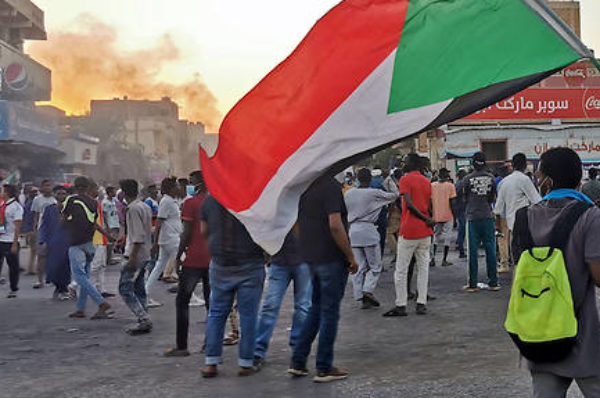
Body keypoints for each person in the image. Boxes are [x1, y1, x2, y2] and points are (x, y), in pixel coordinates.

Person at [512, 148, 600, 397]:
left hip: (540, 334)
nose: (537, 181)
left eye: (539, 176)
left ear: (548, 181)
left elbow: (522, 274)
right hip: (582, 336)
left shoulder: (524, 217)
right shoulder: (591, 216)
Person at [288, 175, 358, 383]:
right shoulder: (330, 187)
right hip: (331, 258)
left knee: (316, 308)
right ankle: (324, 367)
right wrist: (350, 256)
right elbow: (335, 225)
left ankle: (298, 362)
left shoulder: (304, 186)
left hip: (312, 258)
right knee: (329, 312)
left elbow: (294, 222)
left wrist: (308, 245)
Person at [200, 195, 266, 378]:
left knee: (216, 313)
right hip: (250, 262)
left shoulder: (210, 201)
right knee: (249, 315)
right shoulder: (252, 197)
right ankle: (245, 363)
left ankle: (211, 363)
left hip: (221, 264)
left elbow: (204, 231)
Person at [164, 171, 212, 357]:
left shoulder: (190, 204)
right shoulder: (216, 203)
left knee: (182, 301)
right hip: (213, 259)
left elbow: (187, 233)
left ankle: (182, 346)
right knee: (212, 304)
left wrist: (178, 256)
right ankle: (210, 345)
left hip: (194, 259)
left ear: (198, 184)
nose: (188, 186)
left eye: (191, 183)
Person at [383, 154, 434, 317]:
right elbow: (429, 204)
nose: (403, 164)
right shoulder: (426, 181)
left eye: (405, 161)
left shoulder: (405, 180)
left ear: (411, 164)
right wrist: (429, 219)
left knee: (401, 269)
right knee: (423, 268)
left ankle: (401, 304)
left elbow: (409, 204)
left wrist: (424, 217)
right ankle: (421, 303)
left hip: (409, 230)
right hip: (425, 231)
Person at [253, 231, 311, 368]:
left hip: (298, 261)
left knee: (301, 307)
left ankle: (297, 350)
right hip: (282, 261)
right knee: (272, 306)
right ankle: (258, 350)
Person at [345, 168, 398, 308]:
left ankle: (359, 295)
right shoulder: (374, 193)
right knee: (375, 266)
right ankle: (367, 290)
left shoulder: (349, 194)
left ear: (357, 178)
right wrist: (390, 181)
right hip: (368, 230)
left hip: (354, 231)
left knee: (359, 266)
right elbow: (395, 195)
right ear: (370, 179)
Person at [63, 176, 113, 319]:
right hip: (89, 243)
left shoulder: (71, 200)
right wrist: (107, 235)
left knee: (79, 276)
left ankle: (101, 302)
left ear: (76, 186)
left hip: (75, 243)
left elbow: (64, 217)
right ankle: (80, 309)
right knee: (85, 276)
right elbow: (94, 223)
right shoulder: (94, 203)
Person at [494, 153, 542, 273]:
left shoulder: (504, 182)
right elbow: (537, 201)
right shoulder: (524, 179)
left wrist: (498, 226)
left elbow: (498, 208)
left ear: (512, 165)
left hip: (510, 224)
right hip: (525, 223)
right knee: (527, 256)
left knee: (516, 256)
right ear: (525, 165)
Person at [118, 179, 153, 335]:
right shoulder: (144, 206)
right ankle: (144, 317)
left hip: (136, 254)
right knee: (139, 288)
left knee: (125, 288)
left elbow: (137, 236)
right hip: (145, 252)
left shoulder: (132, 209)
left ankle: (143, 317)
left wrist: (132, 258)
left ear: (124, 193)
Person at [463, 152, 500, 293]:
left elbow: (465, 197)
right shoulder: (491, 178)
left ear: (473, 164)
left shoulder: (467, 179)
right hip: (487, 216)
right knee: (490, 249)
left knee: (472, 251)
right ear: (485, 163)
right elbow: (492, 197)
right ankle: (493, 283)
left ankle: (472, 284)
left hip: (473, 217)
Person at [146, 177, 182, 307]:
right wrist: (155, 243)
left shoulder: (171, 201)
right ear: (171, 188)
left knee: (159, 267)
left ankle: (146, 294)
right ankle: (189, 296)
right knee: (183, 264)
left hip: (169, 238)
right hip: (170, 239)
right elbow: (159, 222)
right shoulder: (166, 201)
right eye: (176, 186)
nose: (179, 188)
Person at [39, 185, 71, 300]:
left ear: (67, 195)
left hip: (67, 241)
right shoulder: (49, 209)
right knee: (53, 266)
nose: (61, 195)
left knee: (65, 266)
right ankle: (58, 286)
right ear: (54, 195)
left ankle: (64, 288)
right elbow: (44, 226)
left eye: (63, 193)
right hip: (53, 242)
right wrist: (42, 240)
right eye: (58, 193)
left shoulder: (71, 209)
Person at [89, 181, 113, 298]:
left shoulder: (97, 203)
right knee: (95, 265)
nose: (98, 192)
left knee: (102, 265)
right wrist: (107, 234)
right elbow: (93, 223)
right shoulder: (90, 204)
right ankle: (75, 285)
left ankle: (101, 288)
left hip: (101, 237)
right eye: (95, 189)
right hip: (95, 237)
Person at [32, 180, 56, 289]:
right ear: (42, 187)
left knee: (53, 256)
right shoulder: (37, 200)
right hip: (42, 230)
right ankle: (39, 280)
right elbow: (36, 216)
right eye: (45, 186)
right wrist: (35, 230)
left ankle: (50, 279)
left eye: (49, 185)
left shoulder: (55, 200)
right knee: (41, 256)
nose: (48, 188)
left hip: (54, 231)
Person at [430, 168, 457, 267]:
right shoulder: (450, 186)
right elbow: (452, 202)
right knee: (447, 237)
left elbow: (429, 201)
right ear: (447, 176)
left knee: (435, 237)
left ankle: (432, 259)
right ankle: (444, 260)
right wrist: (455, 216)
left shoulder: (432, 186)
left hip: (436, 215)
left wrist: (431, 213)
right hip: (448, 215)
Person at [0, 184, 23, 298]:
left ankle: (13, 288)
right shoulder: (2, 205)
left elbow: (17, 227)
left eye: (2, 191)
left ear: (7, 193)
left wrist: (15, 243)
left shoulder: (16, 207)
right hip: (1, 239)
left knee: (13, 266)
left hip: (10, 240)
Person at [384, 169, 403, 262]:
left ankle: (398, 253)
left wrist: (390, 209)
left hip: (395, 210)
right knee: (399, 233)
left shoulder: (392, 183)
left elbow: (394, 197)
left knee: (389, 232)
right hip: (404, 211)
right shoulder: (404, 182)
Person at [102, 186, 120, 265]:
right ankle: (108, 259)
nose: (115, 193)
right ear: (109, 193)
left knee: (113, 243)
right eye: (113, 192)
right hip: (110, 225)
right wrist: (107, 225)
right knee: (109, 243)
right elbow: (104, 214)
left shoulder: (113, 201)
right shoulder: (105, 202)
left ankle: (110, 258)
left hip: (115, 223)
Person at [454, 169, 468, 259]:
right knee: (463, 229)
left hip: (459, 208)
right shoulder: (462, 184)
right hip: (463, 208)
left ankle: (460, 246)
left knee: (461, 229)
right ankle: (461, 250)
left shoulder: (457, 184)